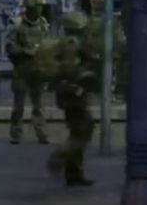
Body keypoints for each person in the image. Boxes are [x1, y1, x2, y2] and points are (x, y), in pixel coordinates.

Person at [46, 12, 97, 187]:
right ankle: (61, 154)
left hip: (69, 93)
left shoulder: (66, 43)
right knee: (83, 130)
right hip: (74, 93)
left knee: (78, 130)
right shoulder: (71, 44)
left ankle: (74, 173)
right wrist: (84, 75)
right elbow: (70, 69)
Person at [6, 0, 50, 145]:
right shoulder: (17, 24)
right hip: (22, 70)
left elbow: (48, 43)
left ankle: (41, 133)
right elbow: (10, 47)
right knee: (18, 106)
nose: (38, 10)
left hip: (38, 70)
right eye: (35, 8)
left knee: (39, 106)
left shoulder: (44, 24)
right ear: (29, 8)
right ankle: (15, 133)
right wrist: (25, 51)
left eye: (40, 7)